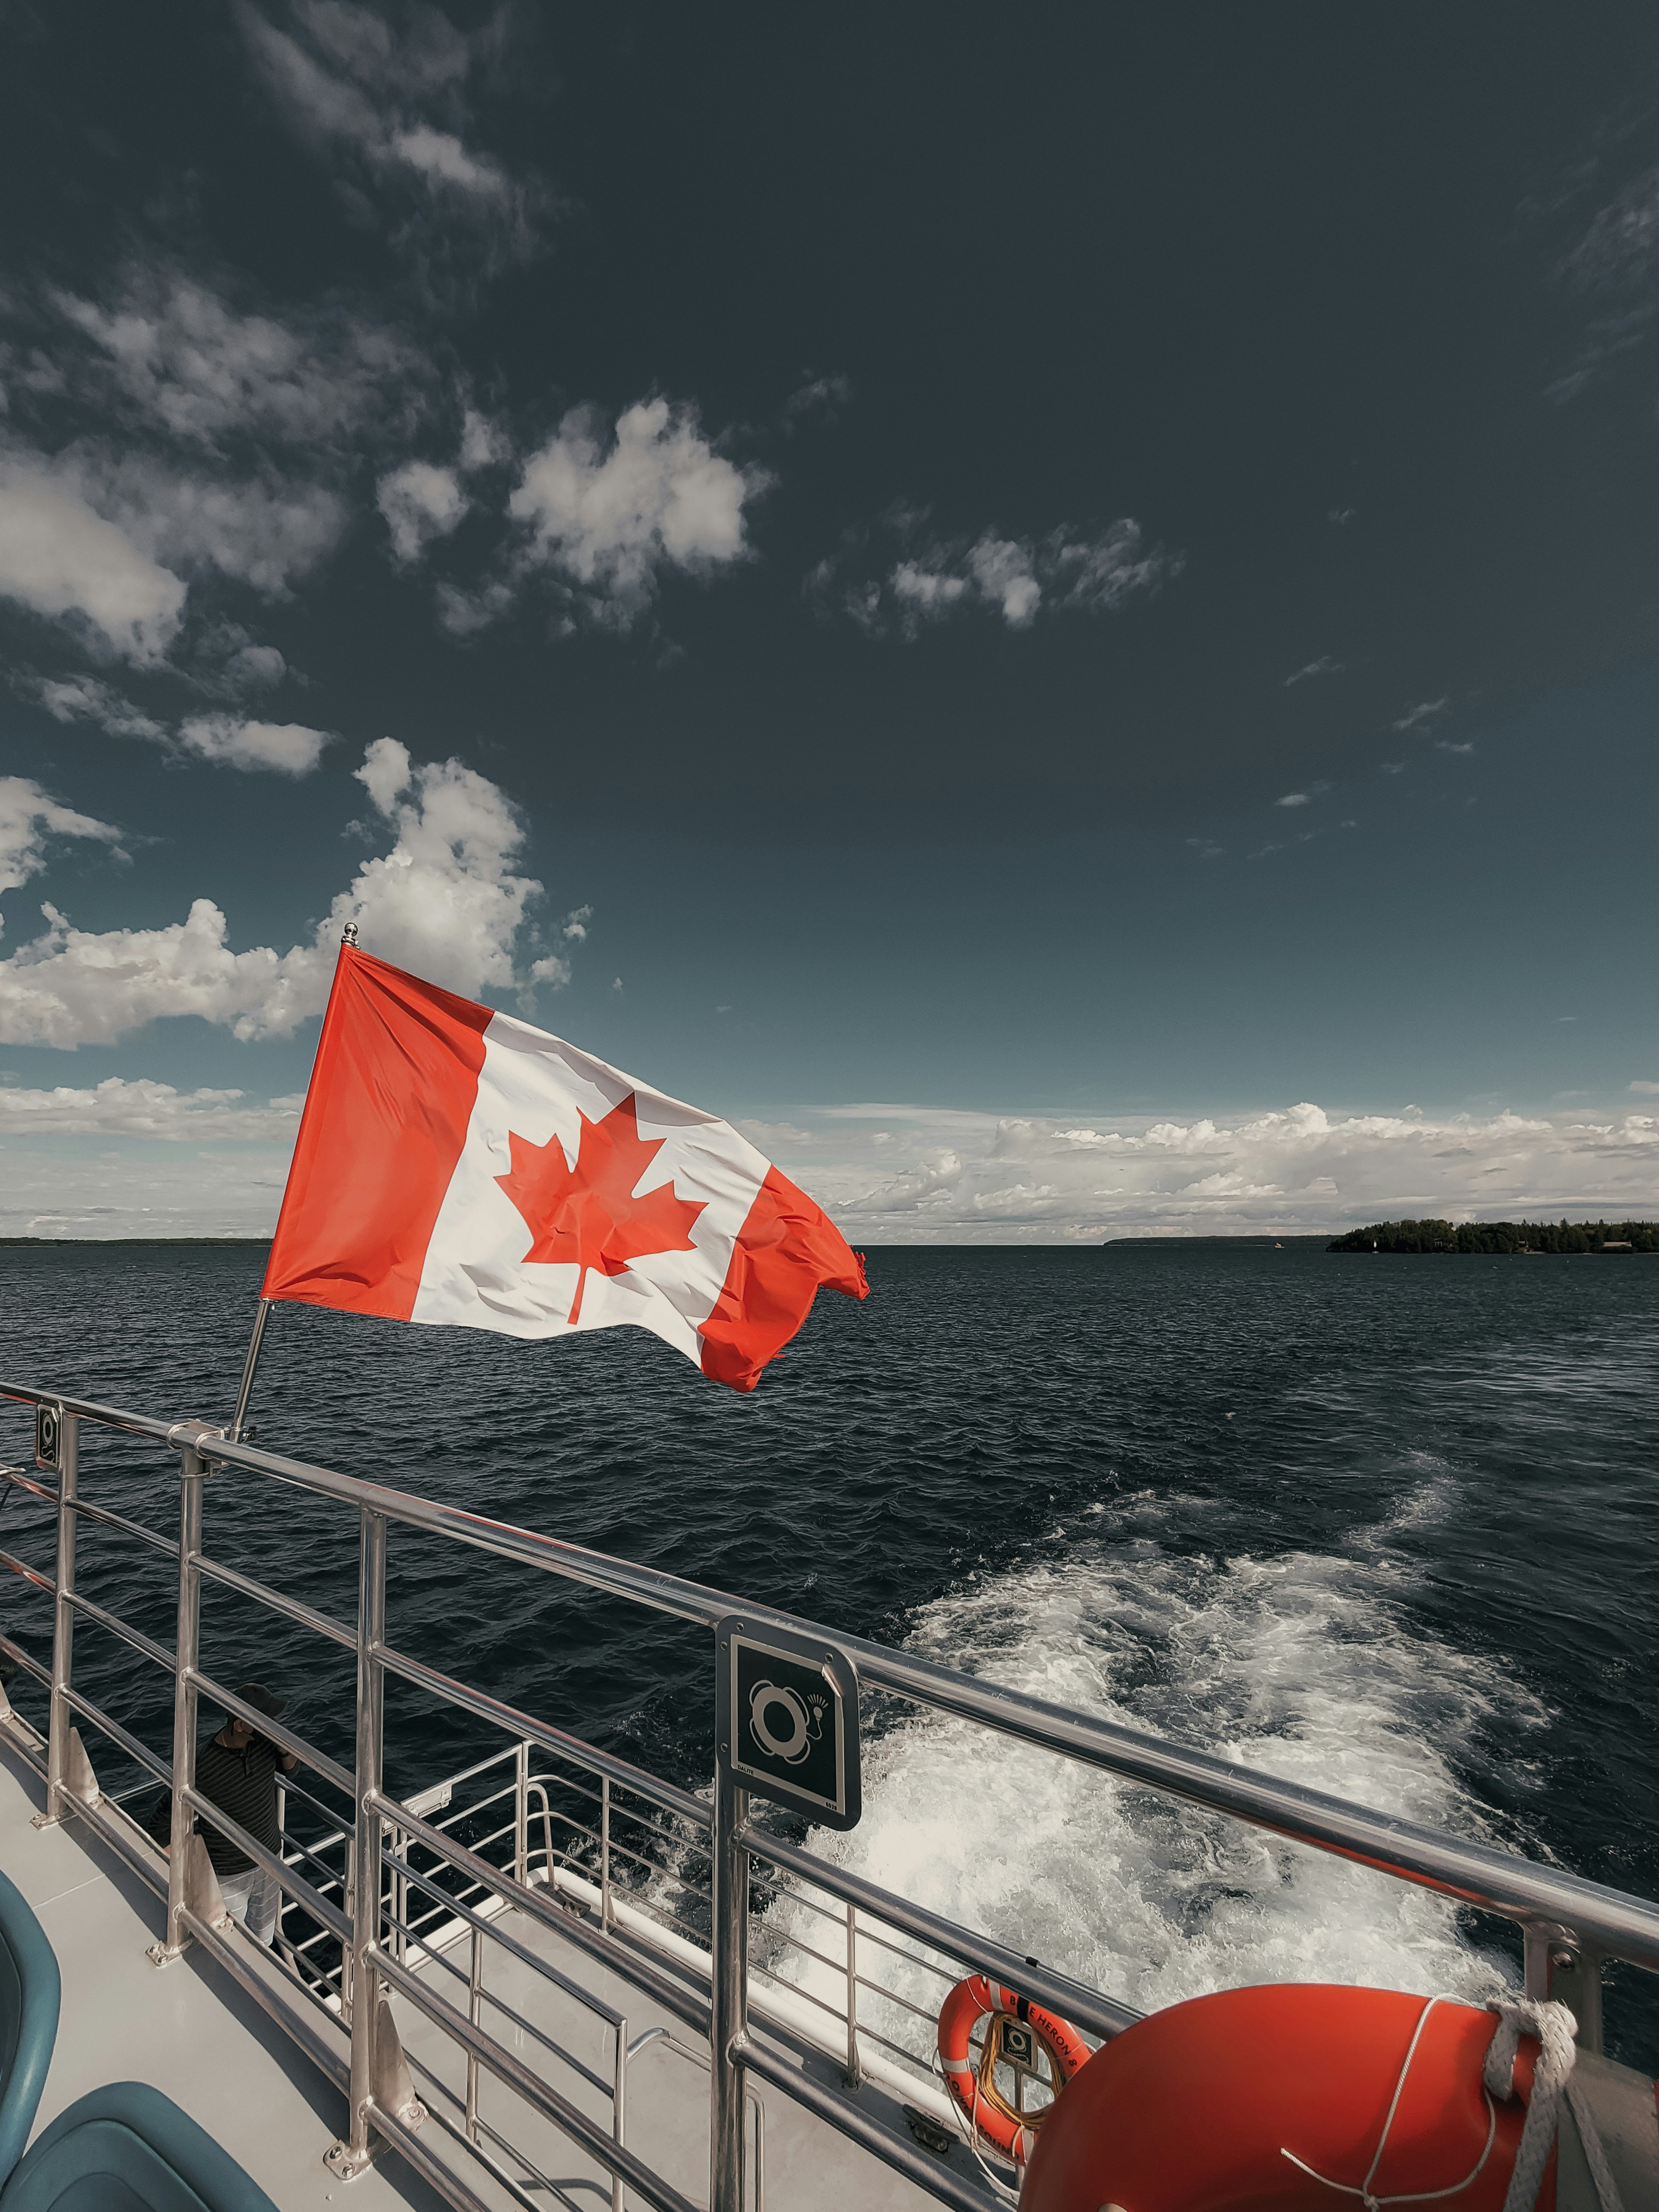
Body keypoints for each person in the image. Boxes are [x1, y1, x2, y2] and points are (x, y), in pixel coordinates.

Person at [146, 1683, 295, 1946]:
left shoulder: (265, 1745)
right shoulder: (203, 1765)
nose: (270, 1725)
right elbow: (162, 1822)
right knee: (226, 1943)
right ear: (240, 1725)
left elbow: (292, 1770)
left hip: (270, 1860)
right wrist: (183, 1875)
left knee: (263, 1940)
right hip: (228, 1873)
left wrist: (283, 1745)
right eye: (263, 1721)